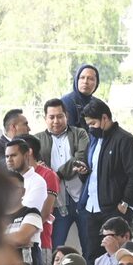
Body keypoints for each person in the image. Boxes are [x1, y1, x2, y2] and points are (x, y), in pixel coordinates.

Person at [82, 100, 133, 259]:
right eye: (88, 124)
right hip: (92, 208)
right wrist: (83, 171)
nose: (90, 128)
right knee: (92, 256)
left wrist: (126, 202)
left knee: (119, 255)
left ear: (105, 118)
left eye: (93, 123)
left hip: (115, 210)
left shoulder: (125, 140)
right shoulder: (93, 140)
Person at [36, 99, 91, 256]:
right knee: (55, 248)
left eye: (59, 116)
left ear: (66, 116)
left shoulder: (79, 133)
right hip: (56, 203)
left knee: (89, 246)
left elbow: (80, 158)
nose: (56, 121)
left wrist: (56, 175)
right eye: (51, 117)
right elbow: (36, 166)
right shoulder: (37, 139)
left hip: (81, 200)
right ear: (45, 118)